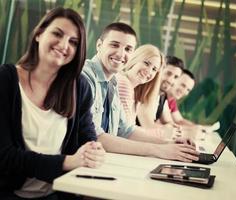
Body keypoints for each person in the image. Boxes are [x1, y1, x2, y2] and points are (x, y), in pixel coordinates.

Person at [0, 7, 105, 200]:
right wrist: (67, 162)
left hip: (57, 193)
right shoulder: (6, 80)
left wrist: (93, 150)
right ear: (39, 34)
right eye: (57, 33)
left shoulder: (79, 87)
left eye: (74, 42)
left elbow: (87, 135)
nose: (64, 45)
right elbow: (4, 155)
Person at [82, 22, 199, 162]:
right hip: (78, 166)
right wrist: (159, 150)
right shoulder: (86, 77)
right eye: (114, 45)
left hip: (100, 160)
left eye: (128, 49)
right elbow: (96, 136)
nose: (121, 54)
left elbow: (126, 130)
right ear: (99, 45)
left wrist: (169, 144)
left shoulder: (112, 83)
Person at [137, 55, 184, 128]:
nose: (170, 80)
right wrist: (170, 130)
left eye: (176, 77)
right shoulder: (144, 92)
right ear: (158, 71)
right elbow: (149, 127)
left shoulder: (162, 96)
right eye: (168, 73)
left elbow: (168, 122)